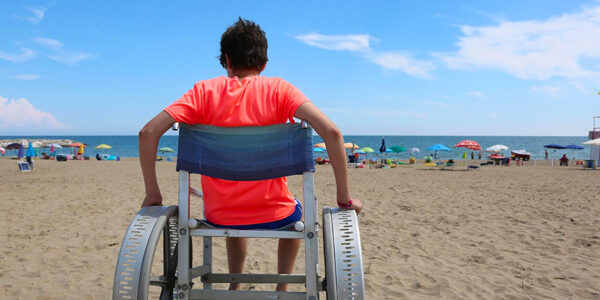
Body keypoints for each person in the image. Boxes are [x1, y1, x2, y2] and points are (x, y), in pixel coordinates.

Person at [138, 18, 363, 292]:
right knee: (301, 209)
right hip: (276, 214)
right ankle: (282, 288)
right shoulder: (280, 90)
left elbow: (148, 133)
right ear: (264, 64)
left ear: (227, 60)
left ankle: (235, 283)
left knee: (233, 209)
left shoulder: (202, 92)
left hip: (219, 214)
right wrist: (344, 199)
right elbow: (333, 133)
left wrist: (153, 195)